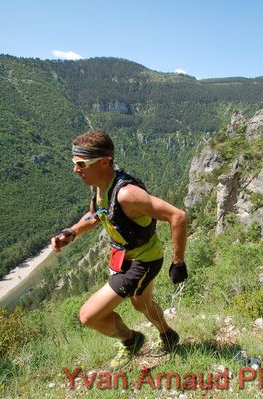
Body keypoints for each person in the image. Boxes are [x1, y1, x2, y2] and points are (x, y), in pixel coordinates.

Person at [50, 130, 188, 370]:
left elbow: (178, 216)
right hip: (126, 257)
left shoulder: (127, 195)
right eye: (74, 163)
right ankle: (168, 336)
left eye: (81, 164)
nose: (76, 170)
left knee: (89, 316)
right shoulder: (101, 186)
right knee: (141, 304)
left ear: (104, 162)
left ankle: (131, 340)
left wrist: (178, 263)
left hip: (142, 262)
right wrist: (72, 233)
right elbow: (96, 215)